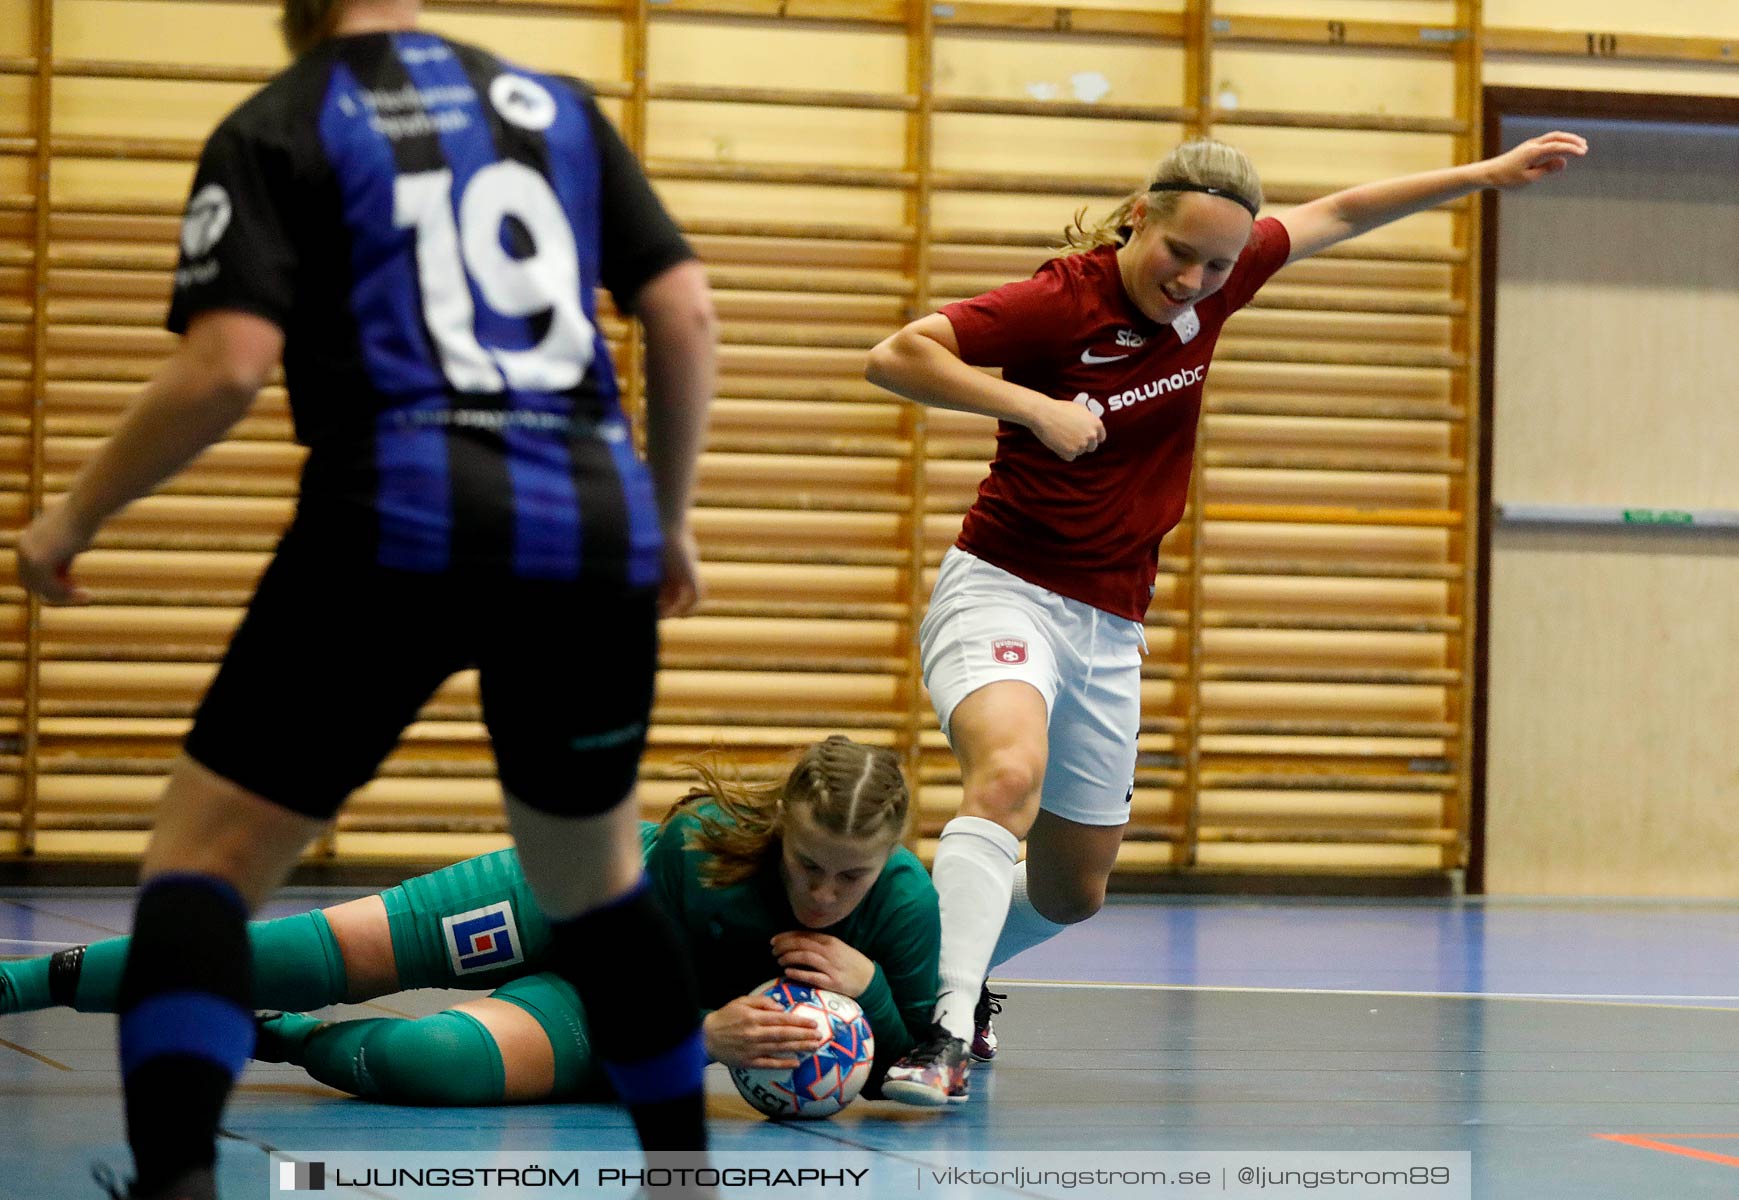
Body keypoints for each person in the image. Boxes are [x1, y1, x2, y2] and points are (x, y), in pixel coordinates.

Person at [13, 0, 718, 1194]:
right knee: (591, 882)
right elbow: (684, 310)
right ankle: (685, 1183)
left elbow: (226, 363)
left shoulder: (281, 120)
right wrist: (671, 512)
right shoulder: (553, 105)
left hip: (396, 516)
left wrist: (71, 515)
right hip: (583, 527)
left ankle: (177, 1176)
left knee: (203, 862)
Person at [864, 131, 1588, 1105]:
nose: (1194, 280)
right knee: (1006, 773)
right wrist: (1028, 409)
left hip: (1108, 618)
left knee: (1072, 891)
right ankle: (941, 1033)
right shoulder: (1059, 302)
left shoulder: (1220, 280)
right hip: (1003, 585)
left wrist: (1484, 176)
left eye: (1216, 263)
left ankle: (911, 955)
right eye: (1178, 254)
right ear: (1136, 220)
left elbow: (1338, 211)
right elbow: (896, 355)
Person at [0, 738, 938, 1105]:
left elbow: (901, 1067)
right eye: (805, 865)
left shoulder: (903, 905)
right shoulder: (701, 846)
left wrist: (872, 992)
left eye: (847, 876)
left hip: (595, 1012)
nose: (822, 893)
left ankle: (280, 1043)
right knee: (289, 953)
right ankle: (24, 982)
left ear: (892, 852)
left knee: (430, 1064)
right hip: (556, 910)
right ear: (779, 833)